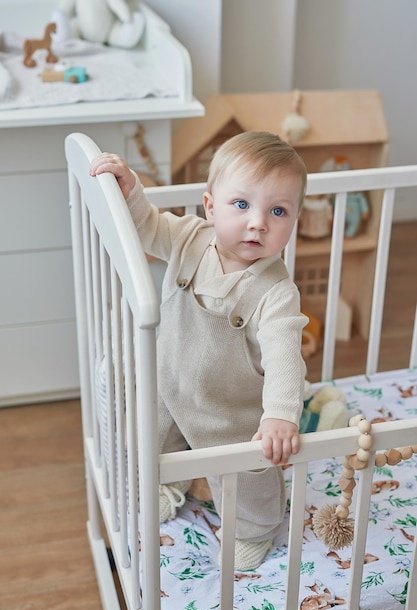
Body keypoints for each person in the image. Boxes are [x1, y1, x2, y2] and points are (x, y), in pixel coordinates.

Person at [90, 131, 308, 571]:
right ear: (210, 206)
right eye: (242, 205)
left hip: (229, 406)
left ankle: (256, 530)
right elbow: (147, 226)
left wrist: (280, 414)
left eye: (278, 211)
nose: (258, 223)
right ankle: (171, 483)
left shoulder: (276, 292)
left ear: (295, 219)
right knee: (152, 440)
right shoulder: (189, 236)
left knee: (248, 474)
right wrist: (129, 188)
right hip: (170, 379)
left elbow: (286, 354)